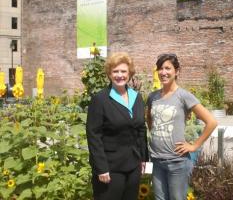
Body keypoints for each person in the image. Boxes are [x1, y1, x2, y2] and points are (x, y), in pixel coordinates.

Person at [146, 53, 217, 200]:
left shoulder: (183, 96)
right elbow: (150, 119)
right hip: (157, 160)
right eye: (160, 68)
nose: (163, 72)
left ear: (177, 71)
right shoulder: (152, 97)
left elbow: (211, 122)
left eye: (168, 68)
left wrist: (194, 146)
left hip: (176, 162)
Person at [86, 52, 148, 200]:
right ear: (109, 74)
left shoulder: (136, 97)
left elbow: (141, 129)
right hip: (110, 169)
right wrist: (101, 168)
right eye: (115, 71)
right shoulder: (100, 99)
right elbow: (93, 135)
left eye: (123, 71)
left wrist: (144, 159)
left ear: (130, 73)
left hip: (133, 166)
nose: (119, 75)